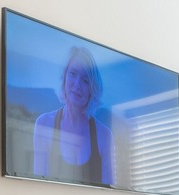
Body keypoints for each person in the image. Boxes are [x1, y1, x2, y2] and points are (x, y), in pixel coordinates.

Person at [32, 46, 116, 186]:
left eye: (85, 80)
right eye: (73, 73)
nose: (77, 84)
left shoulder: (104, 135)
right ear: (64, 77)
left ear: (92, 88)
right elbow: (36, 187)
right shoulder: (44, 124)